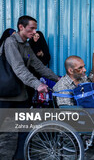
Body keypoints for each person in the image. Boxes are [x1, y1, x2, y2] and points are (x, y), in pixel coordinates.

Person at [0, 15, 60, 160]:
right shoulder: (10, 43)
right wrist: (37, 84)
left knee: (25, 128)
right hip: (5, 94)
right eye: (31, 28)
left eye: (35, 28)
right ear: (21, 27)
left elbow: (38, 65)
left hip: (21, 94)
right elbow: (19, 68)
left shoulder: (26, 45)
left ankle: (20, 156)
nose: (34, 32)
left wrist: (57, 79)